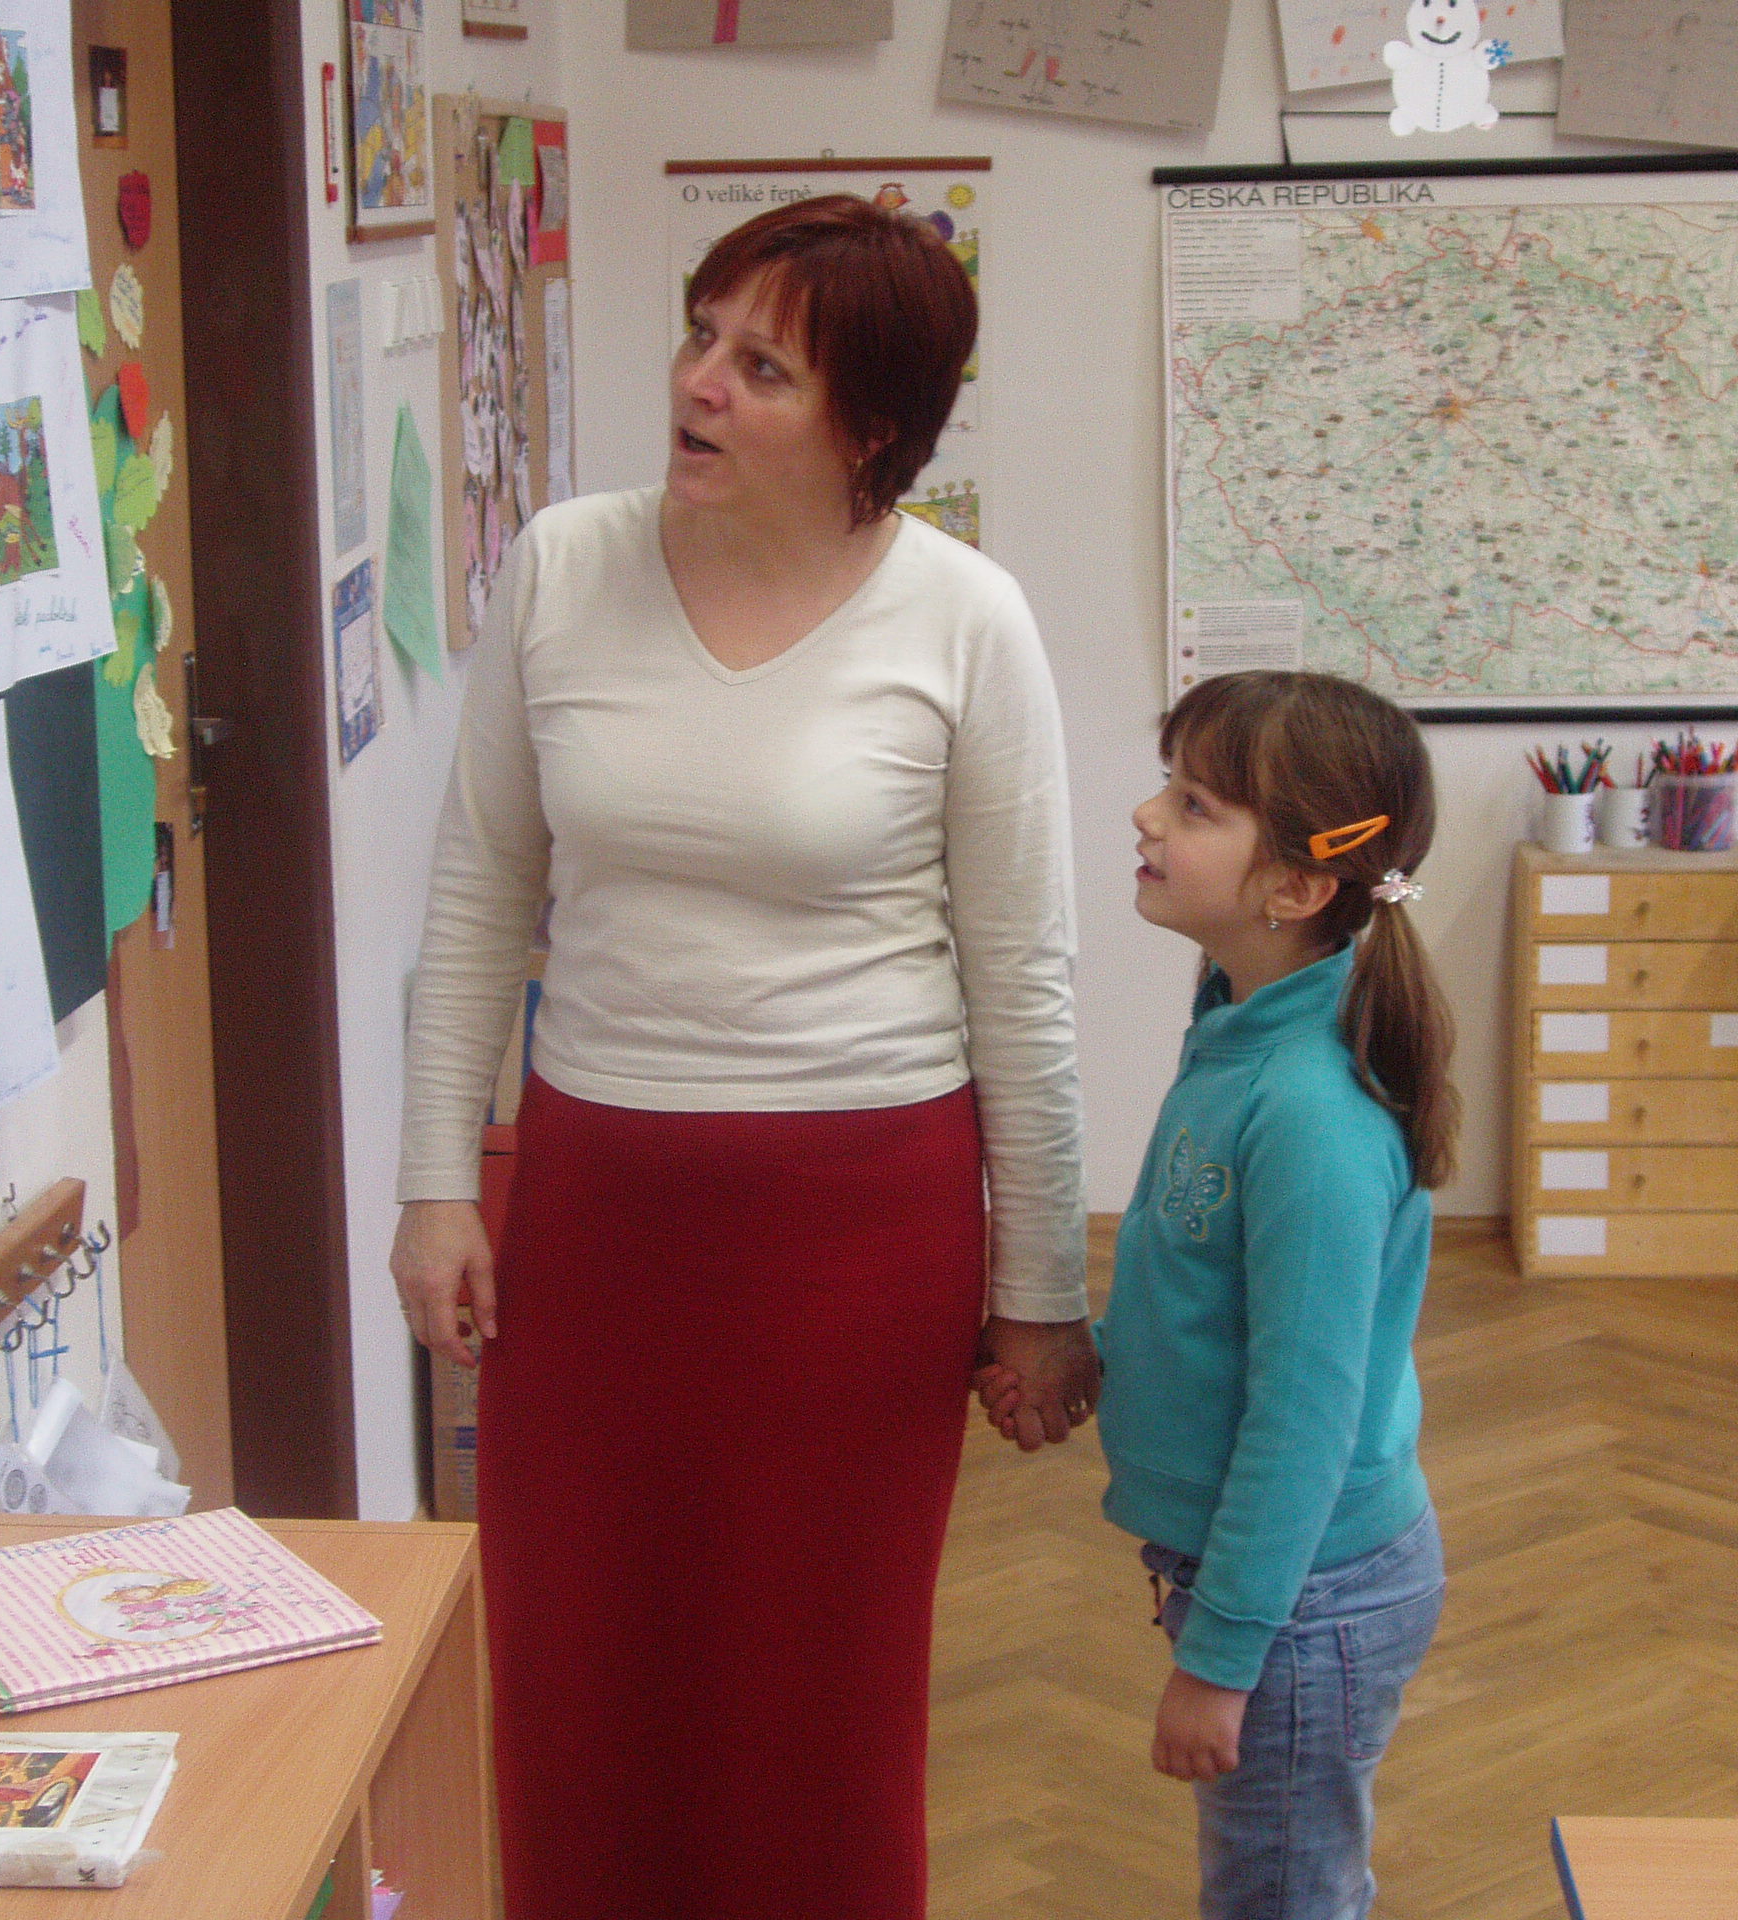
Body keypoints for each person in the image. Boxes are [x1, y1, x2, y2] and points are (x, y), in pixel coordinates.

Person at [389, 194, 1098, 1920]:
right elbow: (477, 893)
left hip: (855, 1232)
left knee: (812, 1704)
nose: (699, 384)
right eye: (700, 337)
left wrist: (1039, 1290)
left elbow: (1024, 978)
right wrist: (433, 1184)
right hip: (599, 1211)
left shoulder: (964, 618)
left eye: (762, 368)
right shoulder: (565, 564)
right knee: (580, 1676)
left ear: (873, 429)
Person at [982, 669, 1455, 1920]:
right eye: (1169, 787)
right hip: (1278, 1587)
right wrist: (1095, 1352)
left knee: (1280, 1900)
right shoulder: (1240, 1028)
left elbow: (1303, 1414)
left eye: (1193, 805)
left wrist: (1223, 1657)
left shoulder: (1308, 1111)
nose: (1146, 816)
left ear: (1294, 889)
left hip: (1303, 1605)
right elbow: (1211, 1296)